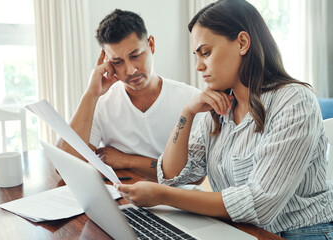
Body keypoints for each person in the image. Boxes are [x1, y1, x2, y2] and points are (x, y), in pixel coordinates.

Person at [116, 0, 333, 238]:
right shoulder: (219, 108)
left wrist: (163, 196)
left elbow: (259, 204)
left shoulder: (294, 101)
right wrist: (186, 114)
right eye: (196, 56)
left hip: (300, 232)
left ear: (242, 43)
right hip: (240, 230)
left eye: (206, 53)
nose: (199, 66)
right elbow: (170, 177)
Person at [56, 9, 201, 181]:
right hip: (124, 200)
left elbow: (194, 176)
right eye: (117, 62)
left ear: (151, 45)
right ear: (107, 62)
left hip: (177, 202)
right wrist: (91, 95)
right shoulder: (101, 103)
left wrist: (126, 160)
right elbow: (64, 165)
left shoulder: (189, 99)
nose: (130, 70)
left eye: (135, 55)